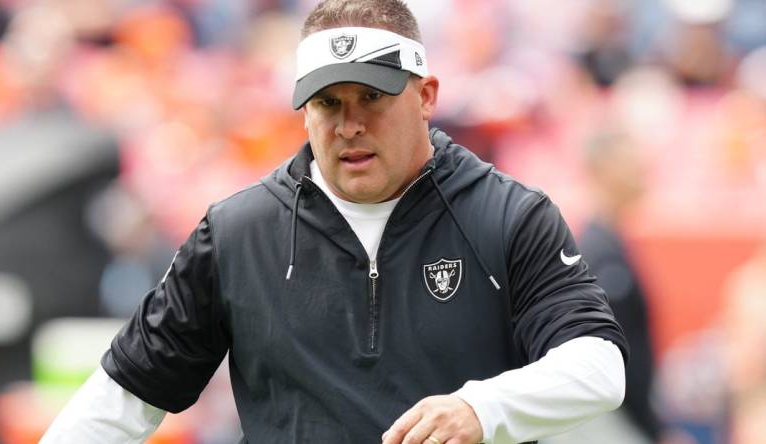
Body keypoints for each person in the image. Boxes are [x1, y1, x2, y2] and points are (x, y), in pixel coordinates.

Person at [41, 1, 628, 443]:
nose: (348, 124)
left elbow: (598, 365)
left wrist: (481, 408)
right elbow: (124, 396)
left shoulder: (508, 215)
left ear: (425, 95)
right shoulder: (237, 234)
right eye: (327, 102)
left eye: (371, 97)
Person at [577, 128, 662, 443]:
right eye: (631, 159)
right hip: (611, 423)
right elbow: (618, 354)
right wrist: (652, 427)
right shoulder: (598, 253)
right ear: (604, 168)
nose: (642, 167)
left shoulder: (606, 245)